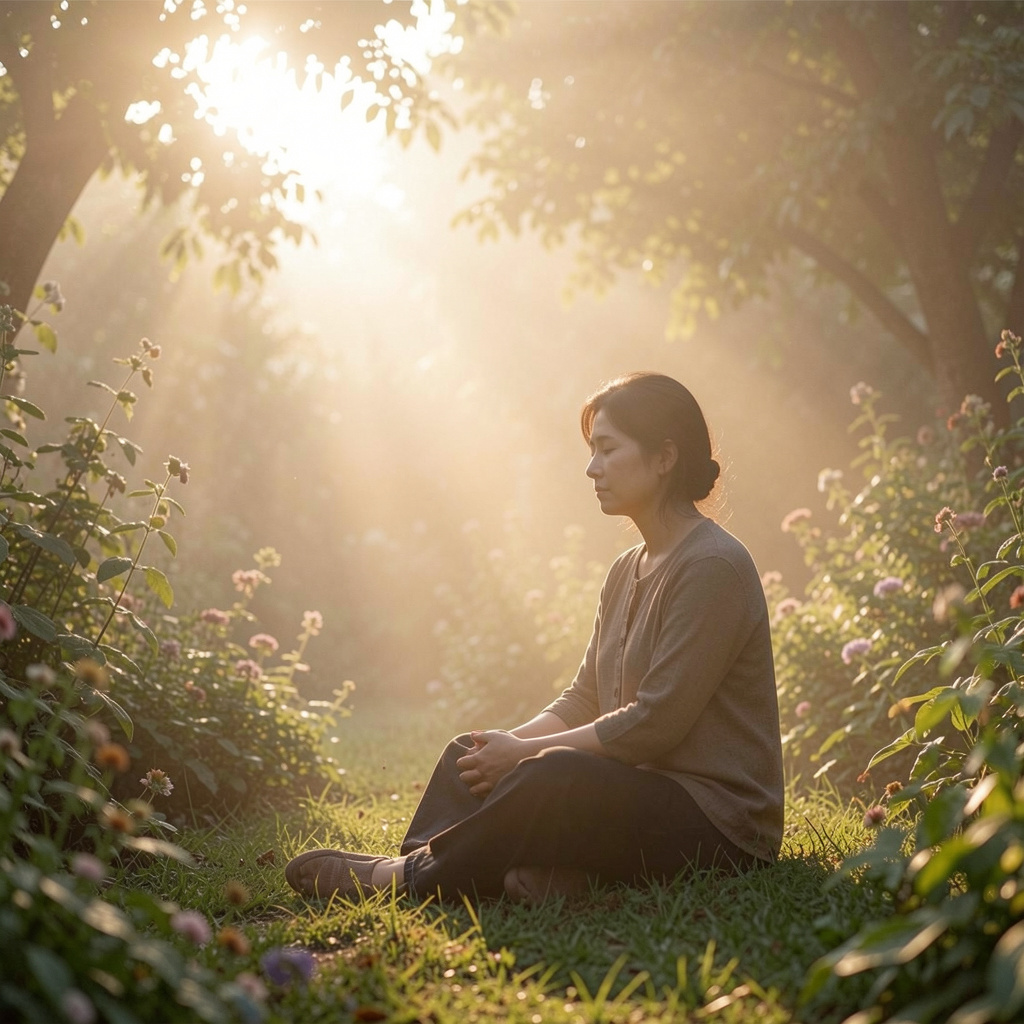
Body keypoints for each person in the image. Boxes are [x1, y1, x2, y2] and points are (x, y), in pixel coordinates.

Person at [285, 371, 784, 904]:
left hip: (717, 827)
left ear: (665, 457)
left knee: (555, 774)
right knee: (468, 755)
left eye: (608, 450)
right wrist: (499, 751)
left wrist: (524, 755)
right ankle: (483, 871)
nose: (592, 468)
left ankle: (405, 878)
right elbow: (585, 699)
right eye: (593, 451)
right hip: (633, 796)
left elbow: (654, 725)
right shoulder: (625, 569)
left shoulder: (713, 566)